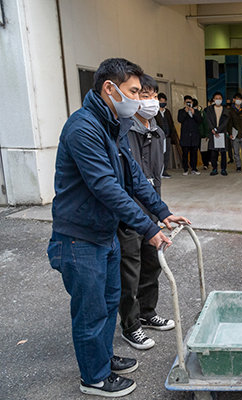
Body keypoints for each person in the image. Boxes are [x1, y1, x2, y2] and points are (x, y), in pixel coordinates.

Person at [46, 58, 189, 397]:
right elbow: (106, 186)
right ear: (109, 89)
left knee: (110, 303)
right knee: (91, 311)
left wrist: (161, 212)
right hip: (79, 237)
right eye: (134, 92)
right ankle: (94, 378)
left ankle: (104, 359)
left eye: (141, 93)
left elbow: (134, 178)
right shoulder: (84, 128)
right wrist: (146, 228)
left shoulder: (113, 125)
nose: (140, 100)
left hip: (103, 233)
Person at [117, 74, 175, 352]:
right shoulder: (121, 131)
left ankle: (147, 312)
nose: (149, 101)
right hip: (129, 214)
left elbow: (153, 178)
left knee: (152, 265)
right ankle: (131, 326)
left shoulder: (157, 131)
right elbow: (128, 181)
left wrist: (160, 211)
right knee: (130, 270)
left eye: (153, 95)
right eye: (142, 94)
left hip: (150, 212)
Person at [205, 92, 230, 176]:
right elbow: (208, 120)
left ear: (222, 100)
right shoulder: (209, 109)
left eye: (220, 98)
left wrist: (218, 130)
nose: (218, 100)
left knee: (223, 152)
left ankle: (223, 169)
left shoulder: (226, 110)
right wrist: (212, 129)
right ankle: (214, 168)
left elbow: (226, 121)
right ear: (213, 99)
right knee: (213, 152)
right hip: (213, 133)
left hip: (222, 133)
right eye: (216, 98)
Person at [177, 95, 202, 175]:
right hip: (185, 136)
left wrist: (193, 113)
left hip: (194, 136)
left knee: (194, 153)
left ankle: (194, 168)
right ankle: (185, 169)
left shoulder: (196, 111)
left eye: (190, 102)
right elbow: (180, 120)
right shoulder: (181, 111)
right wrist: (186, 112)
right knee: (185, 154)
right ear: (184, 103)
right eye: (187, 102)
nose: (189, 104)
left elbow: (199, 121)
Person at [155, 92, 176, 178]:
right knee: (158, 154)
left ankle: (164, 170)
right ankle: (158, 171)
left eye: (164, 101)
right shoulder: (155, 112)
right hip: (158, 137)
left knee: (167, 154)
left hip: (167, 136)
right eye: (161, 101)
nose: (163, 103)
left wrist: (172, 135)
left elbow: (171, 123)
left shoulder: (167, 112)